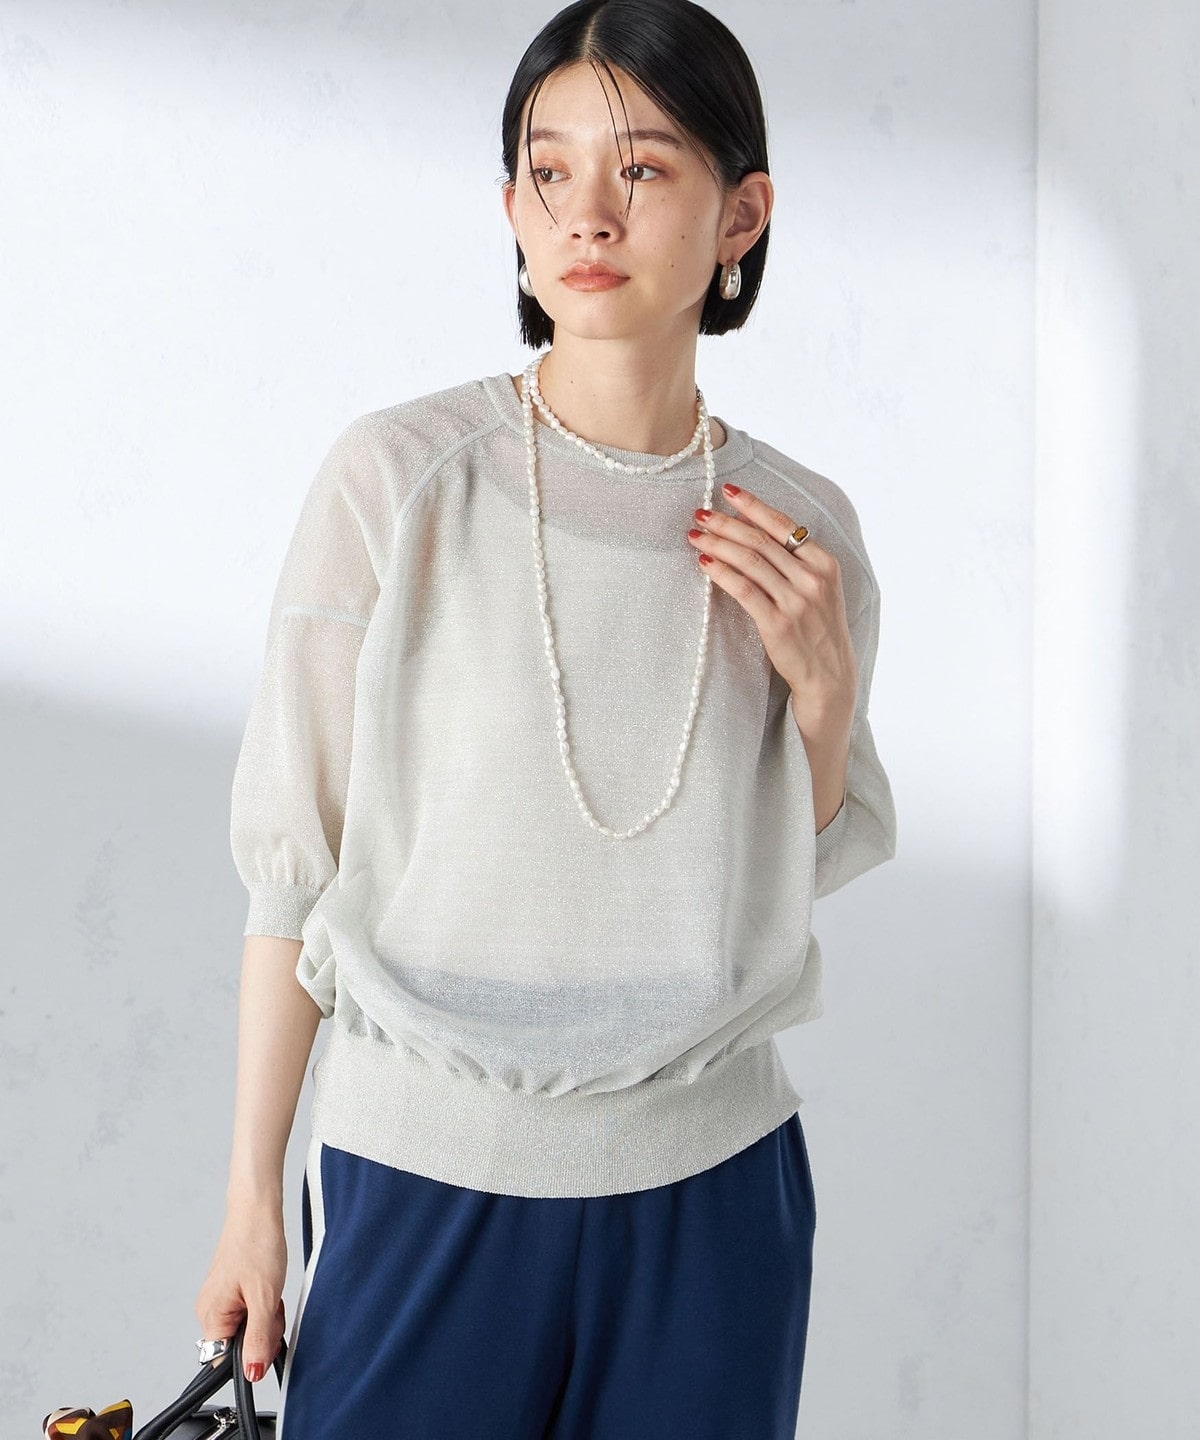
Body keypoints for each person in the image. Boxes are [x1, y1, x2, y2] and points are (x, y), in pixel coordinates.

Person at [195, 1, 897, 1434]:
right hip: (424, 1181)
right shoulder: (398, 480)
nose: (590, 211)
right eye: (550, 168)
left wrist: (823, 699)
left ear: (741, 213)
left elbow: (790, 867)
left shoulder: (800, 532)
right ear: (511, 207)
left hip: (715, 1195)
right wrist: (251, 1202)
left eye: (642, 168)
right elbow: (293, 870)